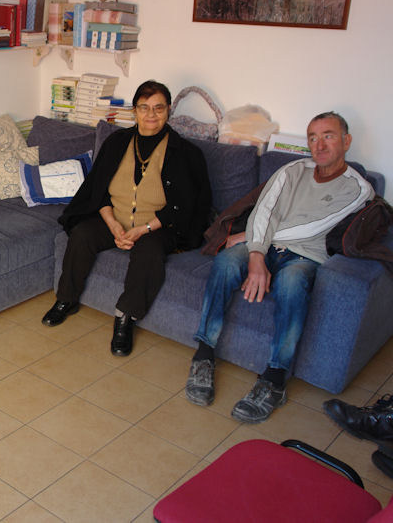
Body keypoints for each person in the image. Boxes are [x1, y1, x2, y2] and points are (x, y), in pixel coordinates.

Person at [185, 112, 374, 423]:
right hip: (264, 243)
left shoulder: (358, 189)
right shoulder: (292, 170)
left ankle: (274, 380)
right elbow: (264, 211)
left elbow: (313, 227)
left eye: (328, 136)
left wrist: (252, 241)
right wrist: (257, 253)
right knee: (226, 262)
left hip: (304, 257)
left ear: (346, 141)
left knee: (291, 284)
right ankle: (203, 355)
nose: (319, 144)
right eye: (313, 137)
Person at [41, 80, 212, 356]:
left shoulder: (185, 153)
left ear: (168, 110)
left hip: (159, 226)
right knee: (82, 234)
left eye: (158, 108)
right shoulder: (117, 142)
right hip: (116, 218)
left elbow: (183, 207)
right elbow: (98, 192)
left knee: (149, 251)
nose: (151, 114)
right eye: (144, 107)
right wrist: (113, 226)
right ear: (135, 111)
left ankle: (125, 318)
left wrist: (143, 229)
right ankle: (66, 299)